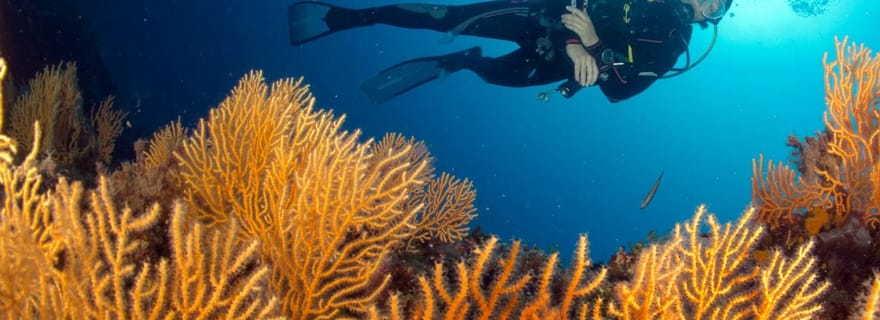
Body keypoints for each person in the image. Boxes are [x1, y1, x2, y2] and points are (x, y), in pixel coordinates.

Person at [288, 0, 732, 104]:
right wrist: (578, 38)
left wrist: (592, 48)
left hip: (554, 62)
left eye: (715, 7)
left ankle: (460, 61)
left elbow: (619, 92)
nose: (705, 4)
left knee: (493, 74)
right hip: (540, 16)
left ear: (709, 20)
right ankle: (341, 17)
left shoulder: (675, 44)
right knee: (445, 17)